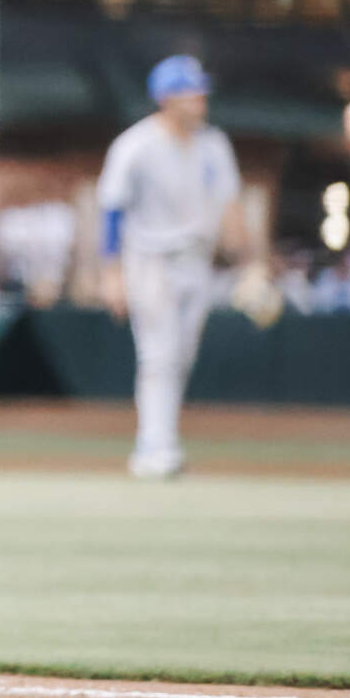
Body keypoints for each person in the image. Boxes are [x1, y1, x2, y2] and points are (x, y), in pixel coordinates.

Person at [99, 55, 244, 480]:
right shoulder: (136, 145)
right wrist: (111, 273)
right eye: (190, 92)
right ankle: (154, 448)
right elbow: (111, 209)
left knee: (181, 356)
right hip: (151, 260)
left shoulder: (213, 144)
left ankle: (161, 443)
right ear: (166, 98)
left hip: (198, 262)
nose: (200, 99)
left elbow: (231, 206)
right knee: (159, 354)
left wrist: (249, 262)